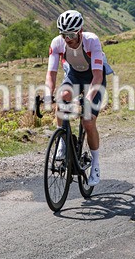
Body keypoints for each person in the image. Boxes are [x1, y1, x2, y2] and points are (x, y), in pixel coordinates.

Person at [45, 10, 113, 186]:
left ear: (80, 31)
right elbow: (51, 74)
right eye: (64, 34)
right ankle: (62, 142)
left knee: (88, 122)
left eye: (72, 34)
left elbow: (97, 76)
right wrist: (47, 94)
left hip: (93, 77)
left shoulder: (92, 41)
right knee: (62, 98)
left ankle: (96, 164)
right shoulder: (57, 43)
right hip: (74, 76)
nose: (68, 39)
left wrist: (88, 98)